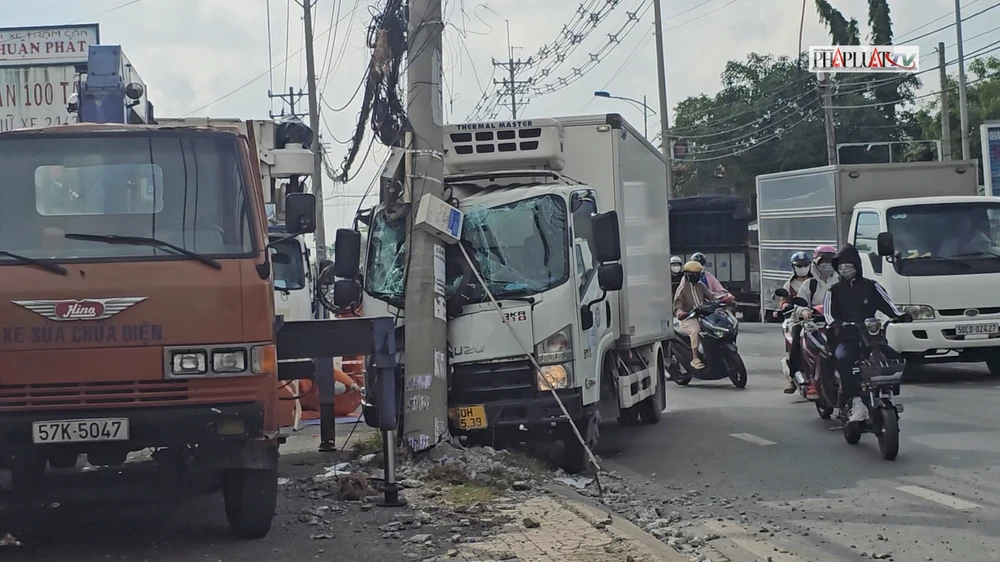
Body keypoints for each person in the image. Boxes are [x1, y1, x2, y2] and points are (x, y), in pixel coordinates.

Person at [822, 244, 911, 423]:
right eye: (840, 265)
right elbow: (829, 316)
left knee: (893, 359)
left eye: (848, 264)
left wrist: (900, 316)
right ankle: (853, 402)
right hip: (847, 340)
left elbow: (889, 306)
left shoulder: (872, 286)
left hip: (871, 340)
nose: (843, 268)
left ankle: (885, 394)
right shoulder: (834, 291)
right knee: (844, 360)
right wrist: (840, 325)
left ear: (856, 265)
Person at [783, 246, 839, 397]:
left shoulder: (841, 281)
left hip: (837, 323)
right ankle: (806, 379)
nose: (826, 264)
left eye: (830, 260)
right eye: (823, 261)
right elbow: (799, 304)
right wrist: (804, 311)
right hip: (812, 323)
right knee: (806, 344)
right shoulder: (809, 284)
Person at [673, 260, 715, 370]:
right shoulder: (682, 289)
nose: (696, 276)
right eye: (694, 274)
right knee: (695, 331)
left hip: (701, 316)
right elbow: (677, 305)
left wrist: (724, 298)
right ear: (687, 274)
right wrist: (680, 313)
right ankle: (695, 358)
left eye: (698, 274)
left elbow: (711, 296)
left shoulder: (700, 286)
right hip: (688, 318)